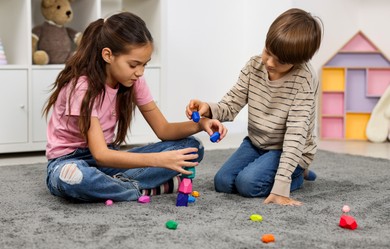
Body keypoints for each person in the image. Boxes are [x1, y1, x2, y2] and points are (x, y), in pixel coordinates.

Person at [43, 12, 227, 202]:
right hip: (70, 160)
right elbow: (100, 155)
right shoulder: (82, 88)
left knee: (192, 147)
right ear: (108, 55)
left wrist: (201, 124)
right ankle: (143, 189)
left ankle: (113, 186)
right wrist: (159, 160)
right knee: (73, 178)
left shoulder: (133, 80)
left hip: (108, 160)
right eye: (133, 65)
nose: (139, 72)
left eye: (144, 65)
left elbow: (163, 130)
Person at [186, 8, 323, 206]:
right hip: (256, 143)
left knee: (248, 185)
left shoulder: (304, 80)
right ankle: (285, 170)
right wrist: (207, 107)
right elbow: (231, 104)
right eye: (268, 51)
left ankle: (297, 173)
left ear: (299, 61)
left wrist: (281, 187)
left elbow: (295, 136)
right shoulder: (254, 66)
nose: (269, 62)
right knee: (223, 182)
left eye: (280, 61)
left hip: (288, 149)